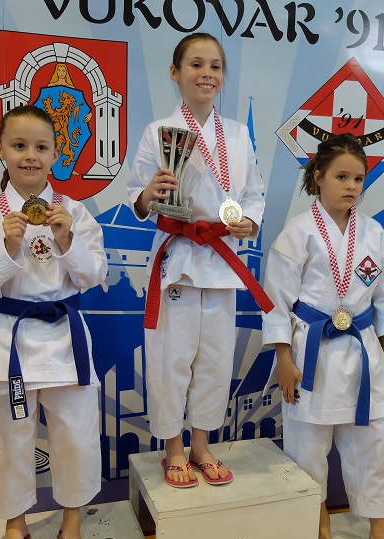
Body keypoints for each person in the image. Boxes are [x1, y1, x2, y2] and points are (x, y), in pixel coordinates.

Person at [262, 133, 384, 539]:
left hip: (363, 352)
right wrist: (283, 358)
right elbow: (275, 300)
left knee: (372, 444)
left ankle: (380, 529)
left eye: (358, 178)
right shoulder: (297, 232)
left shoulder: (373, 233)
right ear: (318, 177)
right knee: (308, 447)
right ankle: (319, 525)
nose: (352, 186)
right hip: (312, 353)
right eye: (341, 177)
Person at [0, 104, 107, 539]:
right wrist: (5, 246)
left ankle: (72, 517)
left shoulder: (74, 212)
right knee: (9, 439)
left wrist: (67, 241)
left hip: (66, 339)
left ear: (55, 154)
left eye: (41, 147)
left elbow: (95, 274)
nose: (30, 156)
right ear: (0, 149)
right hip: (10, 341)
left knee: (75, 436)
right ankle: (15, 522)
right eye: (19, 145)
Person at [126, 33, 270, 488]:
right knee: (171, 357)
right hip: (179, 255)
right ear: (175, 73)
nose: (207, 74)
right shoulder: (158, 131)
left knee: (215, 359)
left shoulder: (238, 134)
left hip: (221, 257)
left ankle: (202, 445)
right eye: (196, 64)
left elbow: (254, 191)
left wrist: (249, 221)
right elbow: (137, 194)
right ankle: (173, 448)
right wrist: (150, 193)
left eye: (215, 66)